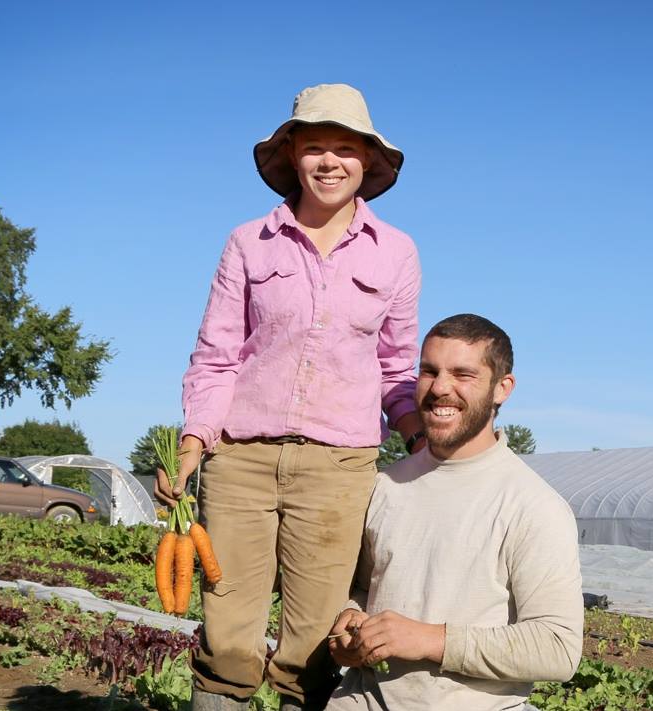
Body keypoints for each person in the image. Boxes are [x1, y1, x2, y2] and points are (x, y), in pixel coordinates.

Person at [155, 83, 424, 711]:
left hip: (338, 470)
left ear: (367, 161)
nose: (329, 162)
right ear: (293, 157)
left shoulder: (398, 254)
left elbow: (395, 367)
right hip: (240, 460)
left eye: (345, 149)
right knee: (227, 635)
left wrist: (418, 440)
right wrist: (193, 443)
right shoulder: (250, 242)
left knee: (313, 643)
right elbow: (217, 355)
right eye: (315, 148)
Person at [326, 314, 583, 711]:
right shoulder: (385, 485)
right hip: (365, 700)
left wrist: (432, 640)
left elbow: (557, 647)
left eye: (463, 374)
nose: (440, 388)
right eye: (429, 372)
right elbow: (363, 587)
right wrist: (350, 620)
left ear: (503, 388)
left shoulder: (533, 505)